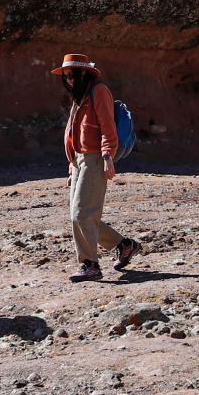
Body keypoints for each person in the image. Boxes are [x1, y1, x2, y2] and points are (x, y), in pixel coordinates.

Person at [53, 53, 140, 282]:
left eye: (72, 75)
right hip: (79, 160)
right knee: (80, 215)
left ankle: (90, 265)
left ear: (84, 73)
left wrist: (107, 155)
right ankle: (124, 245)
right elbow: (73, 132)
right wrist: (71, 163)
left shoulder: (99, 91)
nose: (69, 80)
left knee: (82, 214)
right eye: (66, 76)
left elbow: (107, 126)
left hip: (95, 159)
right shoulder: (80, 96)